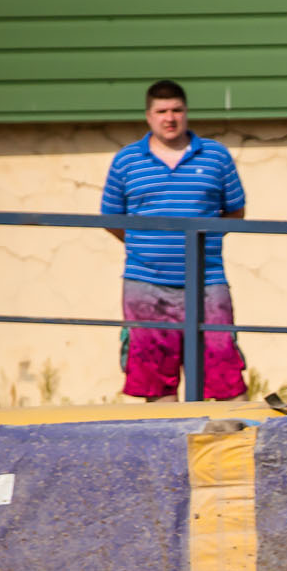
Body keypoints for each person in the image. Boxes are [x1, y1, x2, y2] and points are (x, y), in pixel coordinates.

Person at [98, 79, 247, 402]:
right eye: (162, 111)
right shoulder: (126, 161)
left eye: (177, 110)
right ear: (148, 116)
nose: (170, 118)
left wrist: (199, 244)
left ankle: (230, 449)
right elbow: (112, 219)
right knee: (155, 382)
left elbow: (236, 211)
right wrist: (147, 245)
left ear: (186, 113)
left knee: (224, 376)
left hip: (207, 281)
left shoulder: (216, 157)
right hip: (145, 284)